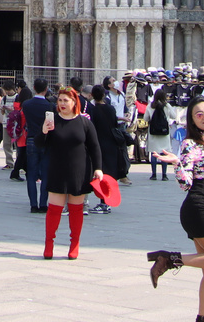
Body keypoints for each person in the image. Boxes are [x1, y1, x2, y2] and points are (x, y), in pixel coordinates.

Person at [145, 96, 204, 322]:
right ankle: (169, 258)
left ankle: (203, 318)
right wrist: (178, 164)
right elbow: (186, 183)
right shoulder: (190, 144)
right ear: (192, 121)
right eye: (199, 114)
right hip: (198, 207)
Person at [36, 86, 102, 259]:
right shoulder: (52, 121)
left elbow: (95, 147)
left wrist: (98, 168)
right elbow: (39, 144)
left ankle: (75, 244)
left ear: (74, 102)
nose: (62, 103)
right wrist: (44, 131)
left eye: (66, 100)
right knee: (54, 209)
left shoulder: (85, 122)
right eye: (60, 100)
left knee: (76, 210)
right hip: (57, 169)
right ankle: (49, 243)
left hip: (79, 171)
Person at [90, 83, 126, 209]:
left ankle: (103, 202)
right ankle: (108, 200)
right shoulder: (110, 109)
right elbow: (115, 124)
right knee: (109, 174)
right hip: (111, 143)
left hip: (99, 143)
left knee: (101, 173)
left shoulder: (93, 110)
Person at [21, 79, 55, 212]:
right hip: (46, 140)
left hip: (31, 139)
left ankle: (33, 205)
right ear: (46, 89)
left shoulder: (27, 104)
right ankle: (43, 204)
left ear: (34, 88)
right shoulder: (49, 106)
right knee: (46, 174)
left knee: (31, 174)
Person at [147, 87, 173, 180]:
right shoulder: (167, 106)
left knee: (154, 153)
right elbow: (174, 115)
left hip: (153, 133)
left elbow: (146, 118)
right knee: (163, 153)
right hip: (164, 133)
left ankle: (154, 174)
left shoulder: (150, 105)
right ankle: (164, 175)